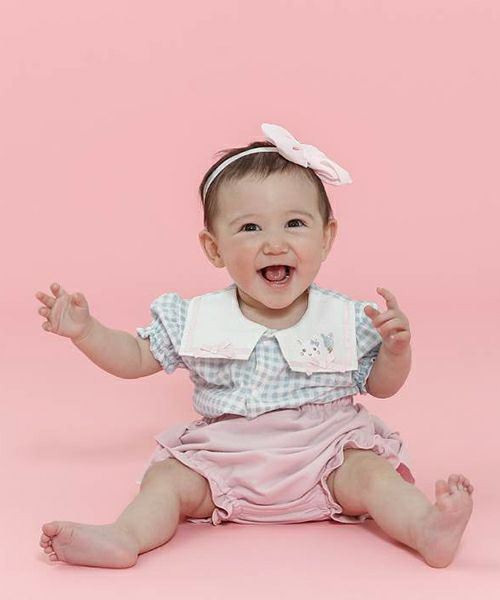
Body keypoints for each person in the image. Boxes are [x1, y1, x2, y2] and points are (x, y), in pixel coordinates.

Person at [36, 123, 473, 569]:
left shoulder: (346, 318)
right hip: (225, 457)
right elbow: (134, 357)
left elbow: (380, 386)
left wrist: (395, 352)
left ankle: (427, 529)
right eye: (250, 227)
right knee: (167, 480)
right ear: (214, 248)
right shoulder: (197, 318)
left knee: (374, 475)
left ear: (326, 237)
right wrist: (87, 332)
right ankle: (125, 537)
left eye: (295, 223)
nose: (274, 243)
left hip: (326, 453)